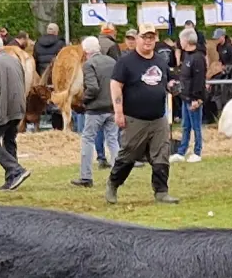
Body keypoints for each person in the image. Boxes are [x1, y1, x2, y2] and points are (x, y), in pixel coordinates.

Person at [107, 24, 177, 205]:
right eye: (145, 37)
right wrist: (118, 112)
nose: (148, 41)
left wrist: (174, 87)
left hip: (158, 118)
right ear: (137, 38)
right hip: (135, 118)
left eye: (151, 37)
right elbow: (116, 85)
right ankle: (113, 184)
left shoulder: (160, 61)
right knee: (128, 155)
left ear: (156, 39)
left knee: (162, 154)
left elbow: (167, 83)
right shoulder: (126, 62)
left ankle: (161, 191)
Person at [0, 32, 30, 191]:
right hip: (17, 108)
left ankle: (16, 170)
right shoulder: (14, 61)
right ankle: (12, 179)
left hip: (3, 109)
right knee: (9, 141)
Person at [72, 35, 117, 188]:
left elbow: (93, 87)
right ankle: (117, 175)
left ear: (85, 51)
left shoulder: (89, 65)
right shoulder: (112, 62)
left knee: (87, 140)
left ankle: (86, 177)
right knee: (113, 140)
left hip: (95, 109)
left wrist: (83, 100)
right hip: (112, 108)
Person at [174, 28, 207, 162]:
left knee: (196, 126)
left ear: (187, 40)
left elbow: (199, 80)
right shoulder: (187, 56)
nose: (179, 42)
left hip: (193, 99)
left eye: (181, 39)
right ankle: (182, 151)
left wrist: (197, 98)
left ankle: (197, 152)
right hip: (185, 97)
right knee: (185, 125)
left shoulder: (198, 57)